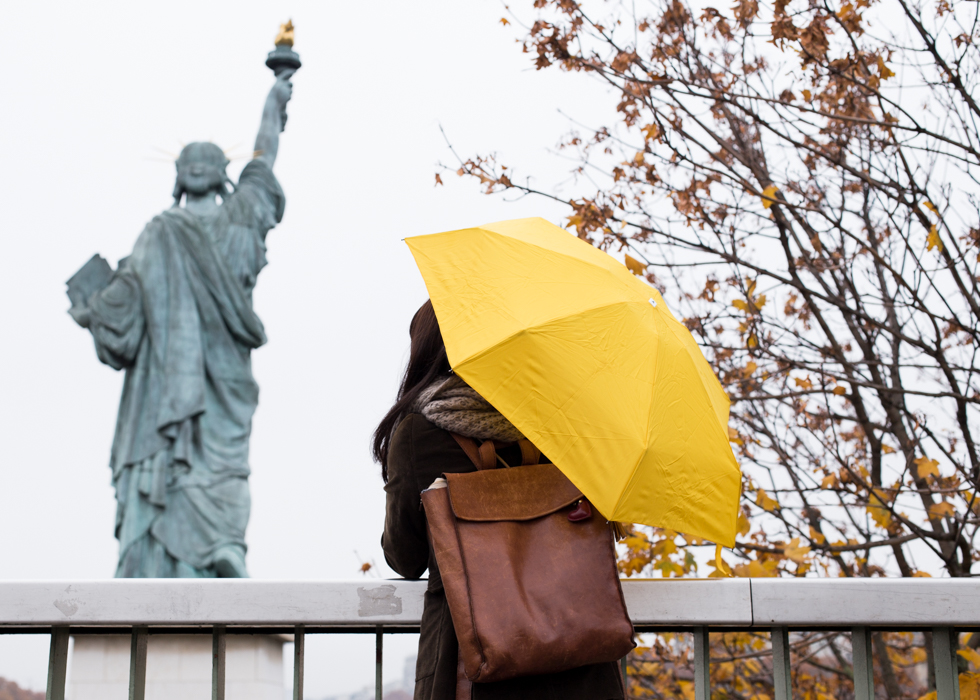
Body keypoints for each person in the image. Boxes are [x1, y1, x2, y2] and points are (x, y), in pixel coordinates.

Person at [68, 70, 296, 578]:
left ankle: (220, 544)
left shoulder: (176, 229)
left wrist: (273, 105)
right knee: (215, 463)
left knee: (217, 462)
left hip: (203, 379)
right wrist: (274, 104)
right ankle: (201, 551)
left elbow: (117, 309)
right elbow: (262, 164)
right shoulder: (182, 228)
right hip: (178, 381)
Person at [374, 300, 626, 700]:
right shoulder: (560, 417)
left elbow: (405, 558)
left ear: (426, 352)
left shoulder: (418, 433)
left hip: (471, 664)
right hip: (579, 657)